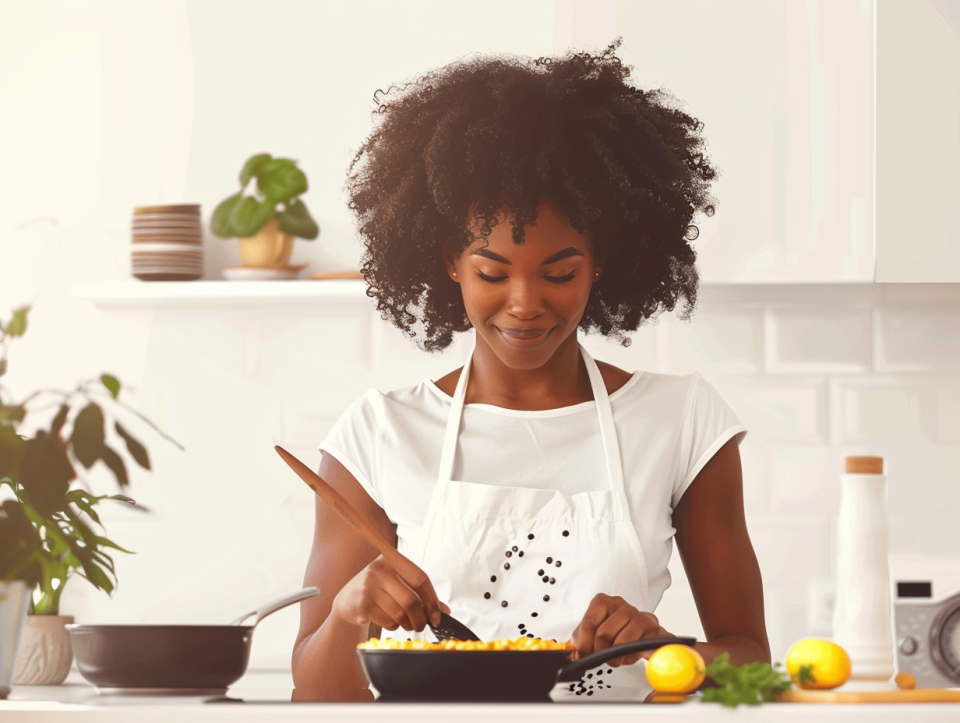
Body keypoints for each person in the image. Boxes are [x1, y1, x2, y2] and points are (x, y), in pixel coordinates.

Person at [291, 40, 769, 702]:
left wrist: (668, 651)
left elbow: (753, 660)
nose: (524, 303)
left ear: (601, 261)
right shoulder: (377, 434)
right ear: (450, 261)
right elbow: (313, 701)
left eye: (560, 271)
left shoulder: (682, 421)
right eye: (492, 271)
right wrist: (349, 611)